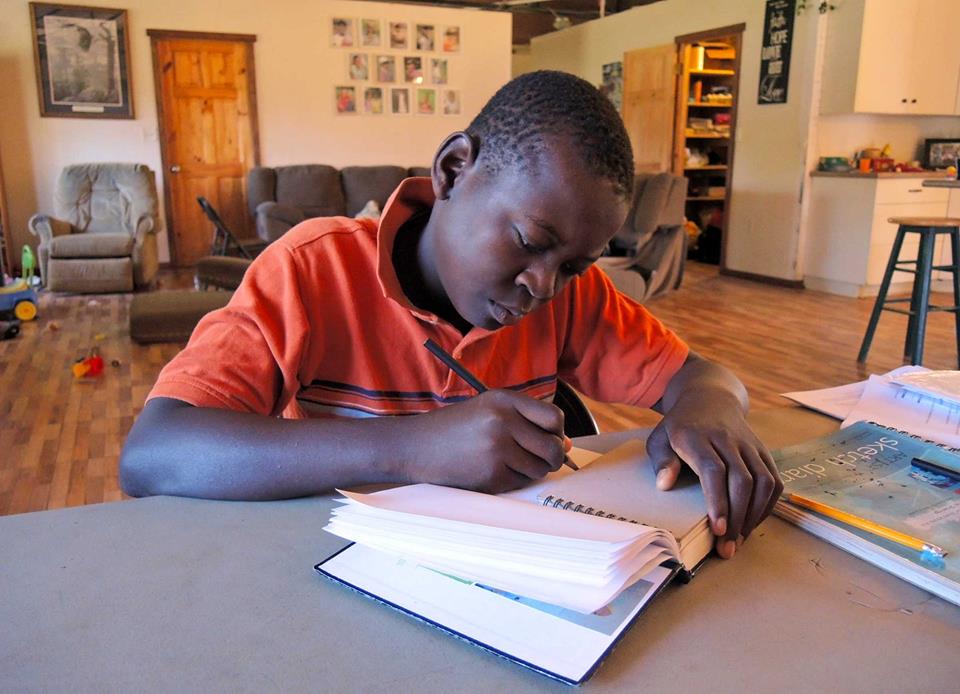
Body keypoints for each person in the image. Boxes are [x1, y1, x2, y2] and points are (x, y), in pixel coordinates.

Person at [120, 71, 780, 560]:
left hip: (512, 577)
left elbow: (706, 378)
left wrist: (711, 411)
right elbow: (156, 452)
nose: (543, 286)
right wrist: (415, 446)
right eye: (529, 241)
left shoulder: (570, 295)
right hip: (341, 570)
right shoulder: (312, 271)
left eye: (575, 264)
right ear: (454, 169)